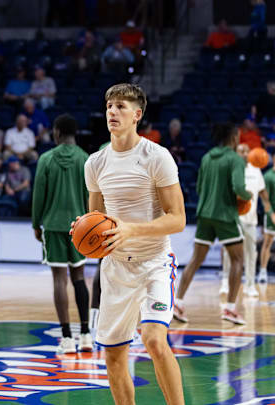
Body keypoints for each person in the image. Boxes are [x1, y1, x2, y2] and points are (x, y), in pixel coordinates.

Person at [82, 83, 185, 404]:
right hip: (115, 269)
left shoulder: (157, 157)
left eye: (121, 106)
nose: (113, 111)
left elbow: (177, 218)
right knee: (113, 355)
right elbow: (96, 217)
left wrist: (130, 230)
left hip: (154, 263)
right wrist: (83, 231)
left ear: (137, 114)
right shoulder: (95, 163)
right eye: (110, 105)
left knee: (154, 339)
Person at [174, 123, 252, 325]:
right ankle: (231, 309)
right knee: (238, 260)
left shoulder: (207, 157)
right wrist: (247, 195)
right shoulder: (235, 159)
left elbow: (199, 187)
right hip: (225, 215)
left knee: (195, 260)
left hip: (204, 213)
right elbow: (238, 187)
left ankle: (178, 302)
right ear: (234, 137)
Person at [32, 114, 91, 353]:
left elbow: (39, 196)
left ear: (56, 132)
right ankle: (86, 334)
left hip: (54, 226)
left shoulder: (46, 159)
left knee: (59, 279)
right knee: (79, 277)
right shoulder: (86, 160)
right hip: (80, 227)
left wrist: (37, 224)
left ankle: (67, 339)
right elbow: (91, 196)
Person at [221, 144, 274, 298]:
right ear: (235, 153)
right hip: (233, 218)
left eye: (246, 151)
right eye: (241, 151)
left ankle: (250, 285)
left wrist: (268, 209)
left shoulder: (256, 170)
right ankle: (225, 281)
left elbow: (263, 192)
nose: (244, 153)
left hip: (251, 220)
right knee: (228, 252)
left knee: (251, 254)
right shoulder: (229, 168)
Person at [258, 149, 275, 284]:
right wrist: (272, 214)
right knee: (267, 243)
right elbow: (265, 200)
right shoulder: (268, 176)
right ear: (274, 158)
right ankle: (263, 272)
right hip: (274, 211)